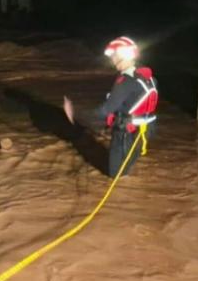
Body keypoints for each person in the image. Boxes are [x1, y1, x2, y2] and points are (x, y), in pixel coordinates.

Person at [63, 37, 158, 178]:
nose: (113, 61)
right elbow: (134, 103)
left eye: (114, 57)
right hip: (146, 130)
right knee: (126, 168)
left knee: (116, 174)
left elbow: (104, 111)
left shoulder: (125, 81)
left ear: (123, 56)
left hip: (127, 132)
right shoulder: (147, 76)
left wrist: (74, 113)